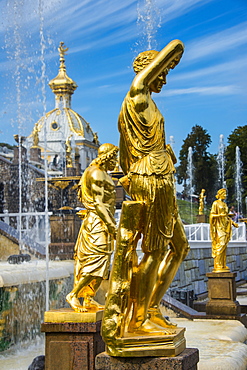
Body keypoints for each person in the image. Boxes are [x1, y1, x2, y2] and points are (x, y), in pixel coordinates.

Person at [117, 40, 190, 333]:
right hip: (153, 179)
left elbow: (124, 156)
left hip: (158, 176)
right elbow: (174, 46)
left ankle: (152, 307)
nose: (165, 78)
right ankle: (139, 318)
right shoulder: (137, 95)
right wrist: (175, 52)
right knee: (155, 251)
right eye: (163, 72)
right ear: (151, 71)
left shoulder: (148, 104)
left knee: (180, 246)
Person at [66, 143, 118, 312]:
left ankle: (88, 297)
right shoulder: (96, 173)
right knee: (96, 260)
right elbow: (98, 203)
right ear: (107, 157)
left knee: (103, 261)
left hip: (103, 220)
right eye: (114, 158)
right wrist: (111, 226)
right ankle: (73, 294)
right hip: (98, 222)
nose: (116, 162)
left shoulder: (100, 171)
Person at [210, 188, 238, 272]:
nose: (225, 195)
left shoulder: (224, 204)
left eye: (226, 193)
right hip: (219, 227)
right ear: (220, 194)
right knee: (221, 244)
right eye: (224, 193)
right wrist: (220, 215)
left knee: (224, 245)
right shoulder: (216, 203)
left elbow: (226, 216)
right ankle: (217, 263)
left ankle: (222, 264)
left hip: (226, 226)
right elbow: (212, 215)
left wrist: (233, 223)